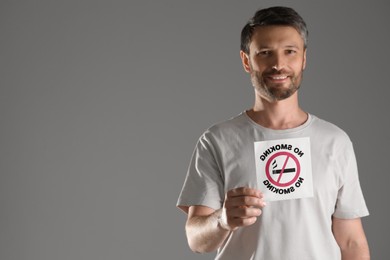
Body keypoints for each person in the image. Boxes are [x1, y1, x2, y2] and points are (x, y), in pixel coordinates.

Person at [176, 6, 370, 260]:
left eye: (290, 52)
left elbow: (351, 242)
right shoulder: (217, 141)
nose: (278, 64)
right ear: (247, 61)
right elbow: (196, 240)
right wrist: (222, 219)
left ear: (303, 59)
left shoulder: (335, 142)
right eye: (265, 53)